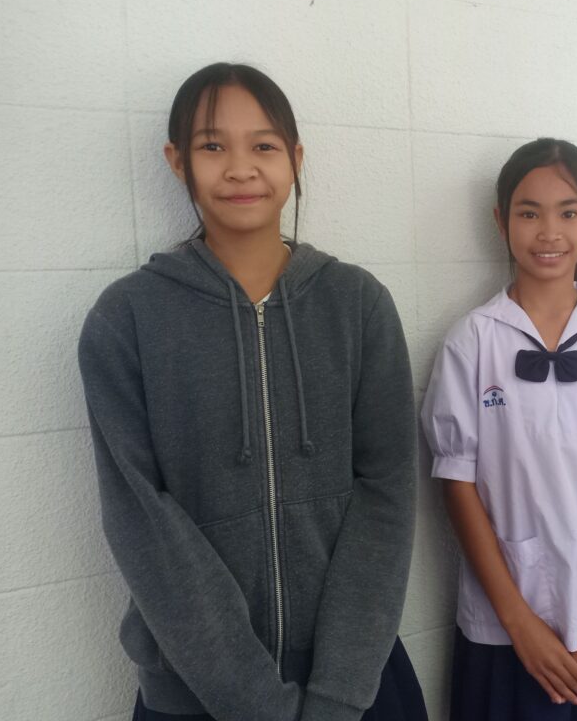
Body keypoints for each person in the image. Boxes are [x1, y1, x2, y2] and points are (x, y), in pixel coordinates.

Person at [78, 62, 427, 721]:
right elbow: (140, 518)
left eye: (263, 145)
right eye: (213, 146)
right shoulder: (126, 320)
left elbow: (386, 494)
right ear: (177, 161)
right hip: (197, 692)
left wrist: (337, 693)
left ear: (295, 158)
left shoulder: (358, 306)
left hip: (355, 685)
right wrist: (256, 703)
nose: (241, 169)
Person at [421, 138, 577, 720]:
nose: (549, 232)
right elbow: (457, 486)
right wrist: (519, 621)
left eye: (568, 212)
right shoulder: (471, 341)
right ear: (500, 220)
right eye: (529, 213)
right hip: (505, 627)